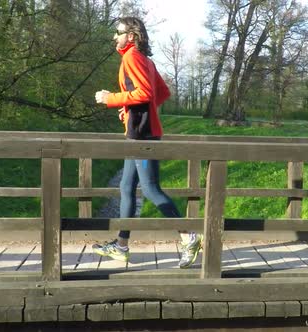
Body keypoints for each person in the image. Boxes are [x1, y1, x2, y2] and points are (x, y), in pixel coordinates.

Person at [93, 17, 203, 269]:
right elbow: (162, 93)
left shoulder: (131, 57)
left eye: (118, 32)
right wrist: (129, 109)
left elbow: (145, 93)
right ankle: (121, 246)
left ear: (131, 36)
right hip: (140, 131)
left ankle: (189, 235)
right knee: (125, 187)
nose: (114, 37)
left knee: (151, 189)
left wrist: (112, 99)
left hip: (142, 134)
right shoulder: (146, 60)